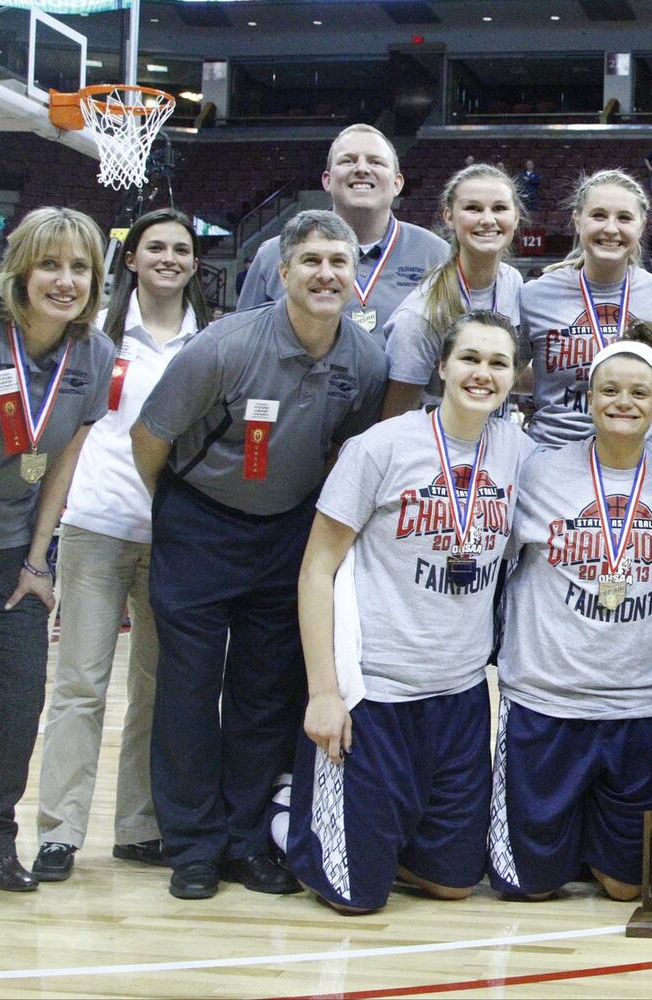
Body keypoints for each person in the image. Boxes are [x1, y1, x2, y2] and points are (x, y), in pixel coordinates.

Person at [131, 210, 388, 901]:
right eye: (310, 261)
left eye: (339, 261)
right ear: (282, 273)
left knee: (263, 694)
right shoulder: (223, 347)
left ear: (355, 274)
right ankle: (191, 846)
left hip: (285, 534)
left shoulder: (366, 363)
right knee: (187, 690)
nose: (326, 273)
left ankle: (245, 841)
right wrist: (180, 512)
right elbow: (149, 438)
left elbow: (348, 457)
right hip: (198, 524)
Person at [285, 310, 529, 914]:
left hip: (463, 696)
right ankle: (289, 807)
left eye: (498, 362)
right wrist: (324, 692)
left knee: (453, 885)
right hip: (377, 694)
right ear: (441, 367)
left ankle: (383, 826)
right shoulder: (380, 447)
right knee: (355, 896)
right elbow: (317, 569)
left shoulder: (520, 453)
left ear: (514, 377)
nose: (483, 373)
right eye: (470, 358)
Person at [29, 210, 209, 884]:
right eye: (154, 247)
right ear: (130, 259)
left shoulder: (210, 341)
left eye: (181, 250)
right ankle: (59, 832)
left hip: (175, 535)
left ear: (195, 263)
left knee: (158, 689)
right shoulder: (95, 333)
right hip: (97, 525)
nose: (168, 258)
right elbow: (71, 434)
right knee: (79, 684)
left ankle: (139, 826)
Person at [489, 330, 652, 902]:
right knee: (528, 886)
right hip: (547, 699)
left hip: (638, 704)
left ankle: (585, 840)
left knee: (628, 888)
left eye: (638, 393)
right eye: (610, 390)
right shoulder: (538, 473)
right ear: (588, 397)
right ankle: (562, 843)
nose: (623, 402)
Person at [0, 208, 116, 893]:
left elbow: (64, 459)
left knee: (16, 708)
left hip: (16, 549)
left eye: (79, 268)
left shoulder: (93, 354)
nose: (65, 281)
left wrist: (39, 558)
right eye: (50, 264)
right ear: (21, 270)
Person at [236, 124, 448, 342]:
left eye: (376, 162)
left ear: (397, 183)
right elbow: (244, 344)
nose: (362, 169)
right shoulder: (274, 254)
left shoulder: (438, 256)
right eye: (348, 160)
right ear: (327, 181)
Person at [519, 169, 652, 448]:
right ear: (577, 221)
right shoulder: (535, 295)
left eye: (624, 217)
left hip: (638, 460)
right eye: (598, 215)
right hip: (553, 458)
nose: (611, 228)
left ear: (642, 225)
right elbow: (508, 374)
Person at [382, 164, 527, 417]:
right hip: (436, 450)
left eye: (499, 208)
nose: (488, 219)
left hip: (494, 442)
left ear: (515, 217)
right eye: (473, 208)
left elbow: (510, 374)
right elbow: (395, 418)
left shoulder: (511, 281)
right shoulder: (420, 316)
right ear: (449, 217)